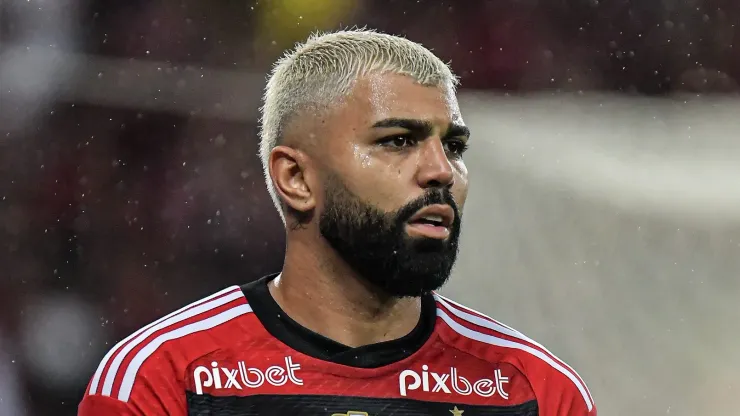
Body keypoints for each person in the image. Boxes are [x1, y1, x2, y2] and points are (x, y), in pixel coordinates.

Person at [79, 29, 596, 415]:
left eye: (454, 146)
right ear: (296, 178)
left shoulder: (537, 391)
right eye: (398, 140)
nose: (442, 171)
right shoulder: (164, 380)